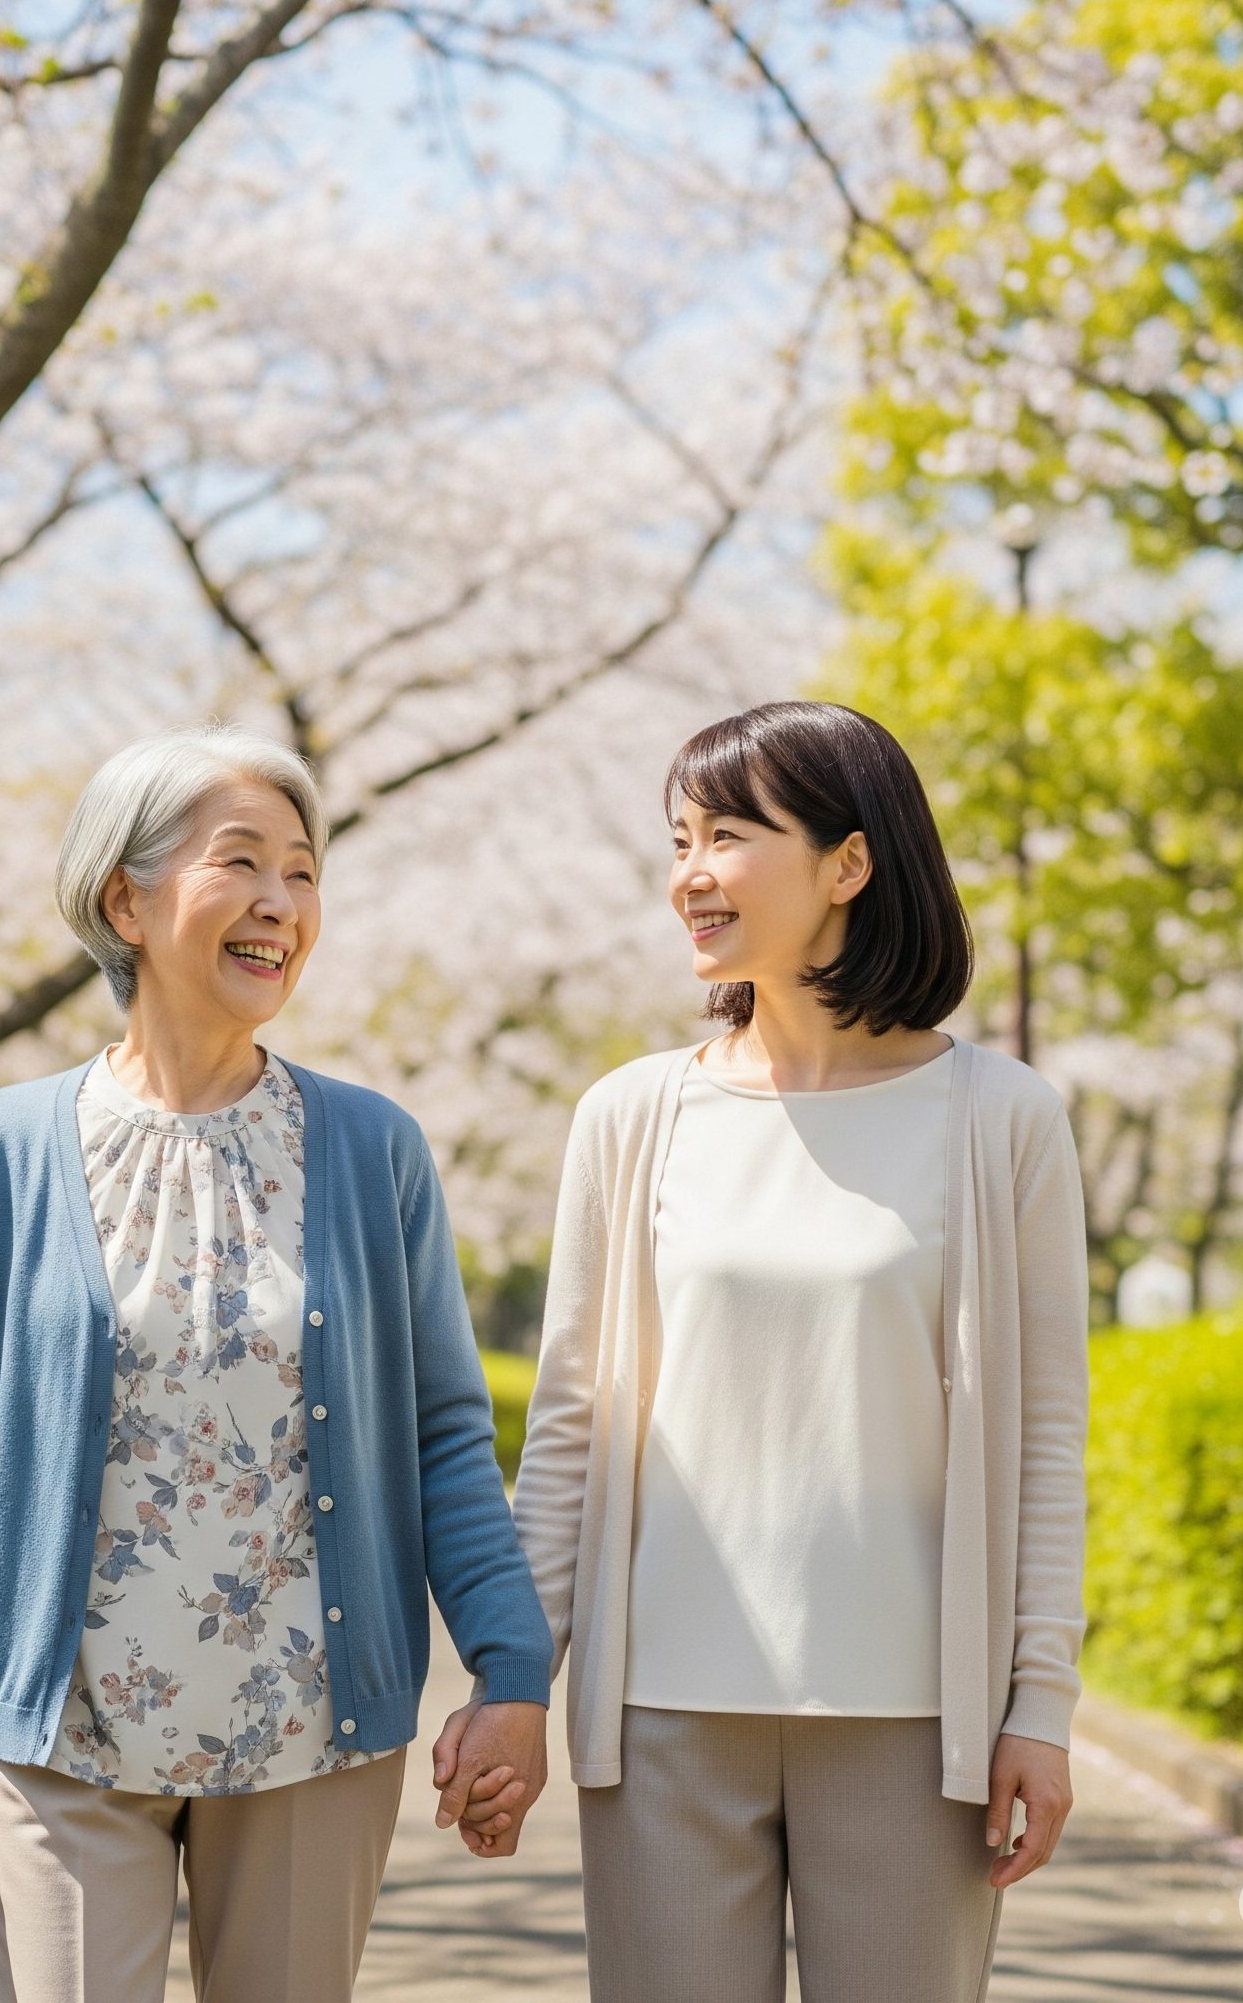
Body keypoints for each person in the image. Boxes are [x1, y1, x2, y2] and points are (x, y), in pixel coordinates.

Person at [0, 721, 552, 2003]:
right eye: (241, 862)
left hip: (309, 1726)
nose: (281, 904)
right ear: (123, 897)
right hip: (62, 1732)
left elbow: (442, 1434)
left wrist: (511, 1670)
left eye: (302, 871)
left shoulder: (369, 1147)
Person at [505, 701, 1090, 2002]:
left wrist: (1037, 1711)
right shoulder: (632, 1116)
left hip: (912, 1730)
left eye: (727, 835)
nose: (690, 876)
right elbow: (572, 1426)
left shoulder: (1003, 1121)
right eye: (678, 840)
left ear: (848, 862)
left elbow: (1046, 1442)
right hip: (659, 1717)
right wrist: (510, 1677)